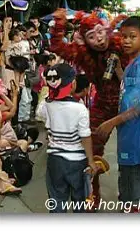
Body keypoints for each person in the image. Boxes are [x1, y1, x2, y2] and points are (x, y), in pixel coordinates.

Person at [49, 9, 129, 208]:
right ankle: (92, 196)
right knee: (91, 151)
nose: (98, 39)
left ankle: (129, 197)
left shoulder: (121, 44)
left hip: (130, 103)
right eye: (91, 36)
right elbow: (58, 46)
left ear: (106, 29)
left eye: (100, 32)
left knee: (130, 153)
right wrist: (59, 22)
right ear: (85, 41)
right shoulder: (84, 54)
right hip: (103, 104)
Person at [96, 16, 140, 213]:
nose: (126, 41)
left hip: (136, 141)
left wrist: (111, 123)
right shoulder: (134, 64)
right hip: (133, 139)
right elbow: (131, 87)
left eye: (133, 36)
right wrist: (119, 71)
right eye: (123, 37)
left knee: (134, 196)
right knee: (138, 192)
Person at [38, 63, 98, 213]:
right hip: (77, 162)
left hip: (55, 161)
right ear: (73, 84)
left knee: (57, 202)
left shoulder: (48, 105)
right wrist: (90, 160)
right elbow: (85, 136)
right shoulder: (80, 109)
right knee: (80, 202)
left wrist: (47, 94)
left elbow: (39, 113)